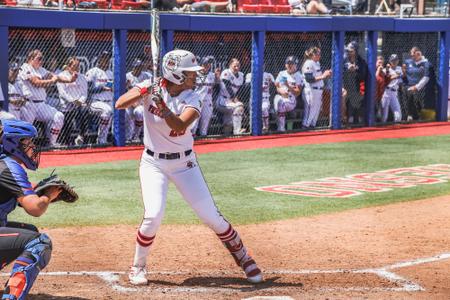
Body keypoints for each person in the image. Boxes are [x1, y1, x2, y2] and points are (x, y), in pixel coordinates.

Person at [115, 49, 263, 286]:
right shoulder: (150, 86)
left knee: (212, 217)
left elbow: (180, 125)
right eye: (189, 73)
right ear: (176, 75)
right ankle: (137, 267)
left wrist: (162, 106)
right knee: (153, 215)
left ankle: (244, 258)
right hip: (153, 163)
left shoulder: (194, 97)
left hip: (185, 164)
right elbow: (120, 103)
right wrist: (144, 91)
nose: (194, 77)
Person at [0, 119, 61, 300]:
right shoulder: (9, 167)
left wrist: (44, 195)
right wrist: (48, 196)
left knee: (30, 232)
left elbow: (22, 197)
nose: (32, 147)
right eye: (27, 142)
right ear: (13, 143)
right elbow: (34, 208)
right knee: (39, 242)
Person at [18, 49, 72, 147]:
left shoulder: (41, 69)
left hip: (41, 105)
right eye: (39, 58)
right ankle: (20, 149)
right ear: (31, 59)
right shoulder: (25, 67)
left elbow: (56, 76)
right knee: (26, 132)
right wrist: (52, 81)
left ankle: (52, 143)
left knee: (58, 116)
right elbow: (36, 82)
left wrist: (70, 80)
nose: (41, 61)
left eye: (42, 58)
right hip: (28, 105)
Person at [56, 57, 92, 146]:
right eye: (74, 66)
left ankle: (81, 136)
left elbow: (84, 93)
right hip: (66, 104)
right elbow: (62, 93)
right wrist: (73, 101)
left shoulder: (82, 77)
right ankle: (67, 142)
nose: (77, 68)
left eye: (78, 66)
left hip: (79, 103)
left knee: (84, 110)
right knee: (67, 119)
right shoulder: (61, 76)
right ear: (68, 66)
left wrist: (80, 101)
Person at [86, 50, 114, 144]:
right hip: (95, 101)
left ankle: (104, 140)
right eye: (104, 58)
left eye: (107, 58)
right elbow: (87, 90)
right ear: (99, 59)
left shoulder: (111, 73)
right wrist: (101, 89)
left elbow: (112, 87)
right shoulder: (93, 72)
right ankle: (101, 140)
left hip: (109, 100)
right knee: (107, 110)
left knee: (120, 111)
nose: (106, 60)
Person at [301, 47, 332, 129]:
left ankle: (311, 126)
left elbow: (319, 75)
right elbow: (309, 79)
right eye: (317, 54)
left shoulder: (316, 63)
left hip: (318, 90)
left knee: (316, 111)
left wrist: (327, 74)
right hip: (311, 90)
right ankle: (305, 127)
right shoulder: (308, 63)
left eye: (319, 53)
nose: (319, 55)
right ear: (312, 55)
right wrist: (323, 76)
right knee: (310, 111)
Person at [192, 56, 221, 136]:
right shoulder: (195, 74)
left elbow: (217, 86)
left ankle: (203, 136)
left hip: (208, 101)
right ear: (201, 65)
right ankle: (192, 136)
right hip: (196, 100)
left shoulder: (212, 75)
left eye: (208, 65)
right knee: (194, 121)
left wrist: (218, 78)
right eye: (205, 64)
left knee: (206, 120)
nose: (207, 66)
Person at [125, 58, 152, 143]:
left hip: (143, 102)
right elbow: (127, 92)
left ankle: (136, 137)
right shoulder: (127, 76)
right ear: (133, 67)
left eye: (140, 67)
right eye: (136, 67)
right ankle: (128, 138)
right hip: (130, 102)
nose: (138, 69)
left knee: (139, 112)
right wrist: (134, 103)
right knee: (128, 114)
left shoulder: (147, 75)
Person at [274, 56, 303, 132]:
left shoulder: (298, 75)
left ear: (296, 65)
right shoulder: (282, 73)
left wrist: (287, 85)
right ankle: (279, 126)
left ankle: (281, 128)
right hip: (280, 96)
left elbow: (298, 92)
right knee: (278, 102)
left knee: (280, 104)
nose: (289, 65)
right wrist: (281, 91)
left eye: (292, 63)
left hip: (291, 99)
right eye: (288, 63)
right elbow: (277, 85)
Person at [217, 58, 246, 135]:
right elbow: (227, 86)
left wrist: (238, 99)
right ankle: (237, 131)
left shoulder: (241, 75)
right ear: (230, 65)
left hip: (231, 102)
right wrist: (235, 99)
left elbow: (240, 90)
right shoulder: (226, 72)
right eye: (234, 66)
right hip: (223, 100)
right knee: (238, 107)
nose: (237, 68)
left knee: (227, 127)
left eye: (238, 66)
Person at [402, 46, 430, 121]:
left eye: (413, 53)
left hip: (418, 86)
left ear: (417, 53)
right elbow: (403, 74)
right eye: (411, 53)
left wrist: (417, 86)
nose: (411, 54)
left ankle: (418, 115)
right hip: (408, 84)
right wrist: (403, 72)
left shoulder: (424, 63)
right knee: (409, 98)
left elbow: (426, 76)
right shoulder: (407, 61)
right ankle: (409, 115)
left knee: (416, 100)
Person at [342, 41, 367, 125]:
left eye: (351, 51)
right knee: (344, 101)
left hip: (355, 87)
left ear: (355, 51)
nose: (349, 52)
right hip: (344, 86)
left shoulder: (361, 61)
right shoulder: (344, 59)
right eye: (348, 51)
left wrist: (355, 70)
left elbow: (363, 76)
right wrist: (347, 70)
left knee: (354, 110)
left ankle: (354, 124)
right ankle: (343, 121)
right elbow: (339, 72)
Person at [381, 54, 403, 123]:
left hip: (394, 93)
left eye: (396, 60)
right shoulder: (385, 70)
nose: (394, 62)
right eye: (392, 60)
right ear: (390, 61)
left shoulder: (400, 69)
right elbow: (386, 77)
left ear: (398, 61)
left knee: (398, 115)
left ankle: (396, 132)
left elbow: (401, 80)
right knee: (384, 116)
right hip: (386, 92)